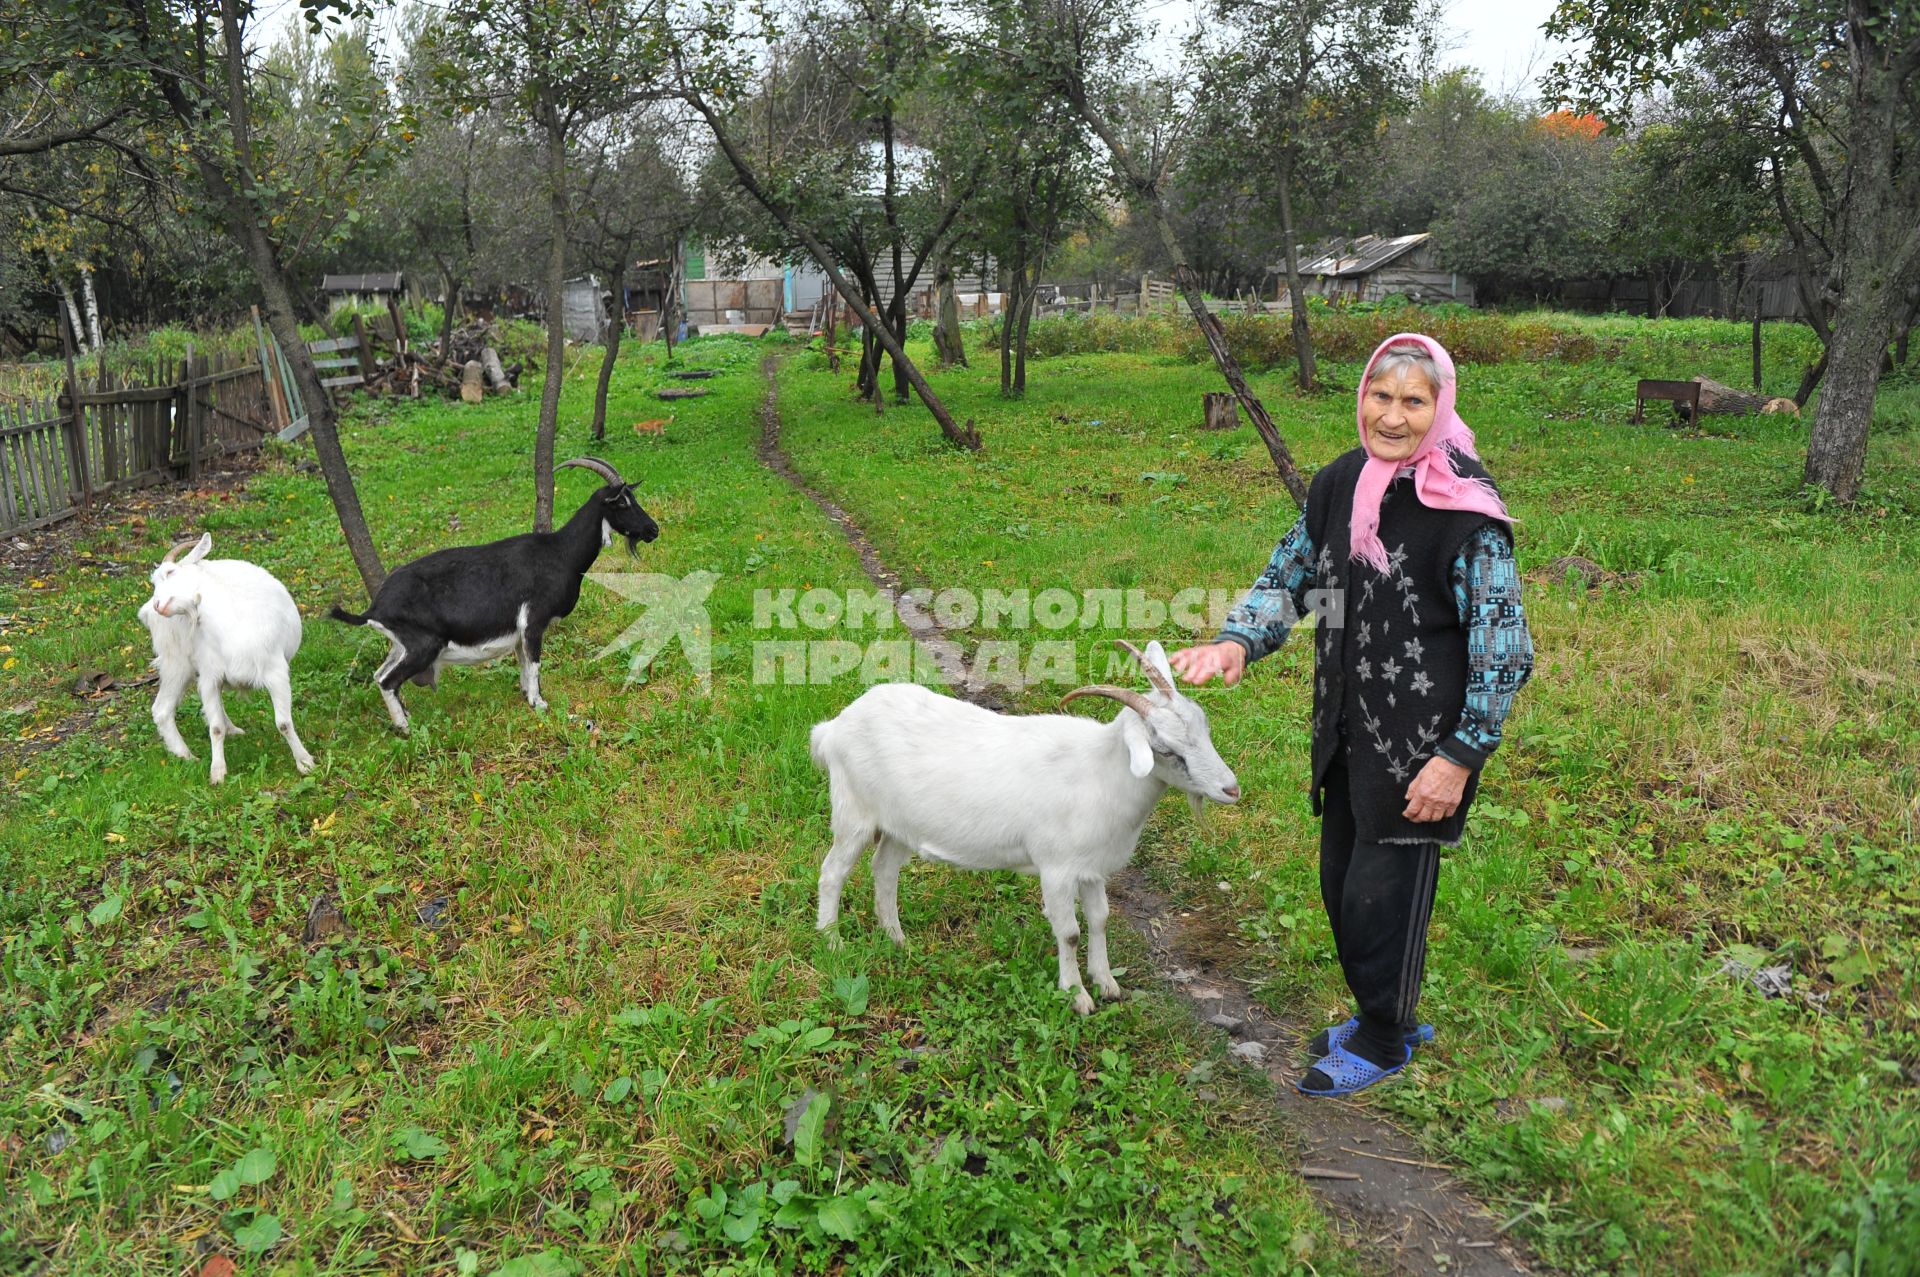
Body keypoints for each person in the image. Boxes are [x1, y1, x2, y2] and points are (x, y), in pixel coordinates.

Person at [1170, 333, 1534, 1097]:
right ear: (1360, 394)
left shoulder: (1465, 510)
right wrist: (1238, 640)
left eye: (1413, 401)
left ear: (1441, 407)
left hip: (1422, 750)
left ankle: (1383, 1033)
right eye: (1380, 394)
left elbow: (1504, 648)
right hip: (1347, 734)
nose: (1392, 416)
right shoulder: (1343, 482)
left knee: (1384, 896)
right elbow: (1291, 574)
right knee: (1342, 884)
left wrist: (1460, 756)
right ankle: (1381, 1009)